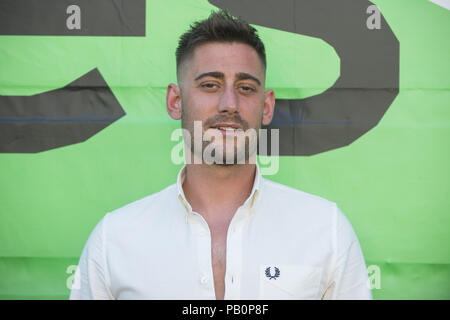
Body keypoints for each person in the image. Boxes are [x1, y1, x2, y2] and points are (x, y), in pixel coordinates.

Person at [70, 10, 372, 300]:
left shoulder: (325, 230)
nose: (230, 103)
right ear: (175, 101)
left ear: (266, 107)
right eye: (210, 85)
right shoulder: (115, 240)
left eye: (246, 87)